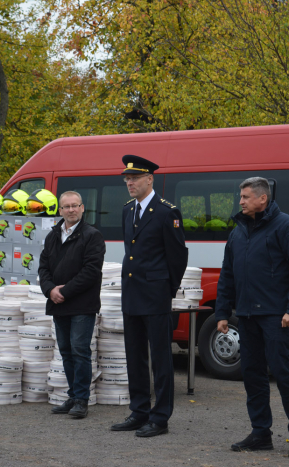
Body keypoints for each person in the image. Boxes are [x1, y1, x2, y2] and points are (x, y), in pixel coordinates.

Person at [215, 177, 289, 458]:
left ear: (262, 199)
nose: (241, 201)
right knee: (252, 375)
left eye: (245, 197)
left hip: (275, 317)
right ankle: (261, 434)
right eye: (241, 196)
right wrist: (223, 312)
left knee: (283, 373)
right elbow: (228, 275)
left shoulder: (286, 226)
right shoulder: (238, 231)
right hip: (246, 316)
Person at [111, 155, 188, 438]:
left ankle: (160, 417)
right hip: (132, 294)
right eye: (126, 179)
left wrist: (166, 291)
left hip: (155, 296)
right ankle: (139, 410)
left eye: (134, 178)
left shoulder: (167, 212)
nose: (129, 182)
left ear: (149, 179)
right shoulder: (127, 210)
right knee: (135, 357)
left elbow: (178, 257)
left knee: (161, 359)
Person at [39, 191, 106, 418]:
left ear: (83, 208)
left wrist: (63, 292)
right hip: (59, 303)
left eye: (75, 206)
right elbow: (43, 268)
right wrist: (50, 290)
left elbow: (91, 272)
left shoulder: (92, 236)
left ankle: (81, 400)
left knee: (79, 351)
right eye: (66, 206)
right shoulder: (52, 236)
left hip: (82, 305)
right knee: (66, 351)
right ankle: (73, 395)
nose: (71, 210)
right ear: (60, 210)